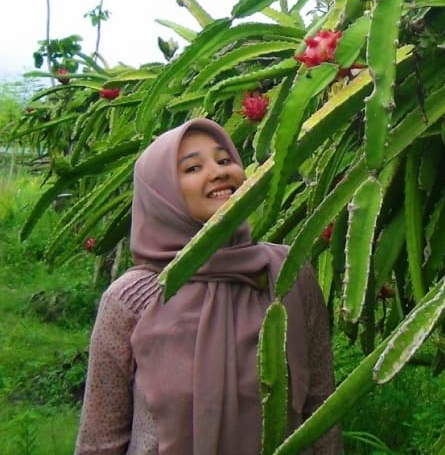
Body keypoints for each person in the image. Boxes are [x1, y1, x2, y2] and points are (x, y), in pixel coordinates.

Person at [75, 118, 341, 454]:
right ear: (162, 194)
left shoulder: (288, 274)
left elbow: (320, 410)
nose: (218, 172)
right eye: (193, 168)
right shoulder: (132, 300)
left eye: (225, 160)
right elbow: (100, 442)